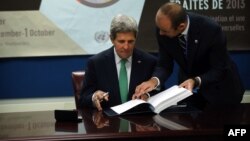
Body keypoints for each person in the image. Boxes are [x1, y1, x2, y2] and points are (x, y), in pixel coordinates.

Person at [133, 2, 245, 107]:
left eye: (165, 31)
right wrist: (154, 81)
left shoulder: (211, 29)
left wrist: (195, 81)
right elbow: (164, 65)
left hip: (221, 91)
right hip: (189, 92)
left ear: (181, 27)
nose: (161, 33)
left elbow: (219, 69)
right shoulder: (163, 28)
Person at [79, 14, 158, 111]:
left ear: (136, 38)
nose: (126, 47)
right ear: (112, 39)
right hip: (107, 122)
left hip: (139, 122)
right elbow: (83, 99)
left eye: (130, 41)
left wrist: (147, 94)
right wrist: (94, 96)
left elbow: (159, 91)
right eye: (121, 41)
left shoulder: (148, 61)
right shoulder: (96, 63)